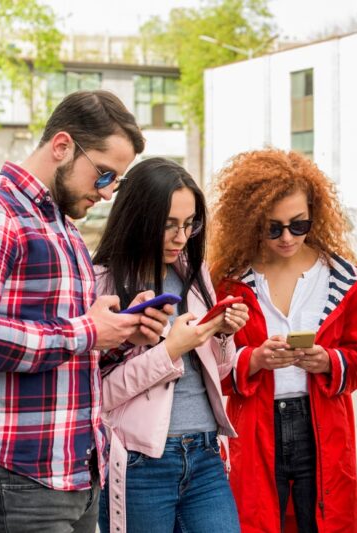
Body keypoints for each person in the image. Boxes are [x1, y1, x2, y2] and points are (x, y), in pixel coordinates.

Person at [0, 90, 170, 532]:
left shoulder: (63, 227)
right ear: (62, 146)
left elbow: (73, 351)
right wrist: (87, 331)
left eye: (114, 182)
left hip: (78, 472)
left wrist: (120, 335)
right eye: (103, 175)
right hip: (19, 474)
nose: (106, 193)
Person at [208, 149, 357, 533]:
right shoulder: (230, 282)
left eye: (298, 225)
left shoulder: (343, 279)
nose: (286, 237)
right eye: (272, 227)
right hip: (254, 428)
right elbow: (213, 373)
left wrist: (329, 362)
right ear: (251, 222)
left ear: (315, 214)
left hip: (324, 427)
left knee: (327, 521)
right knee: (255, 521)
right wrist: (254, 359)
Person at [92, 157, 249, 533]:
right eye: (168, 226)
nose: (181, 238)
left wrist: (223, 333)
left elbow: (220, 372)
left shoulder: (194, 276)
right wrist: (169, 351)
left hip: (206, 453)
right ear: (138, 219)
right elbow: (98, 394)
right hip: (140, 463)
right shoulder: (102, 284)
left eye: (189, 224)